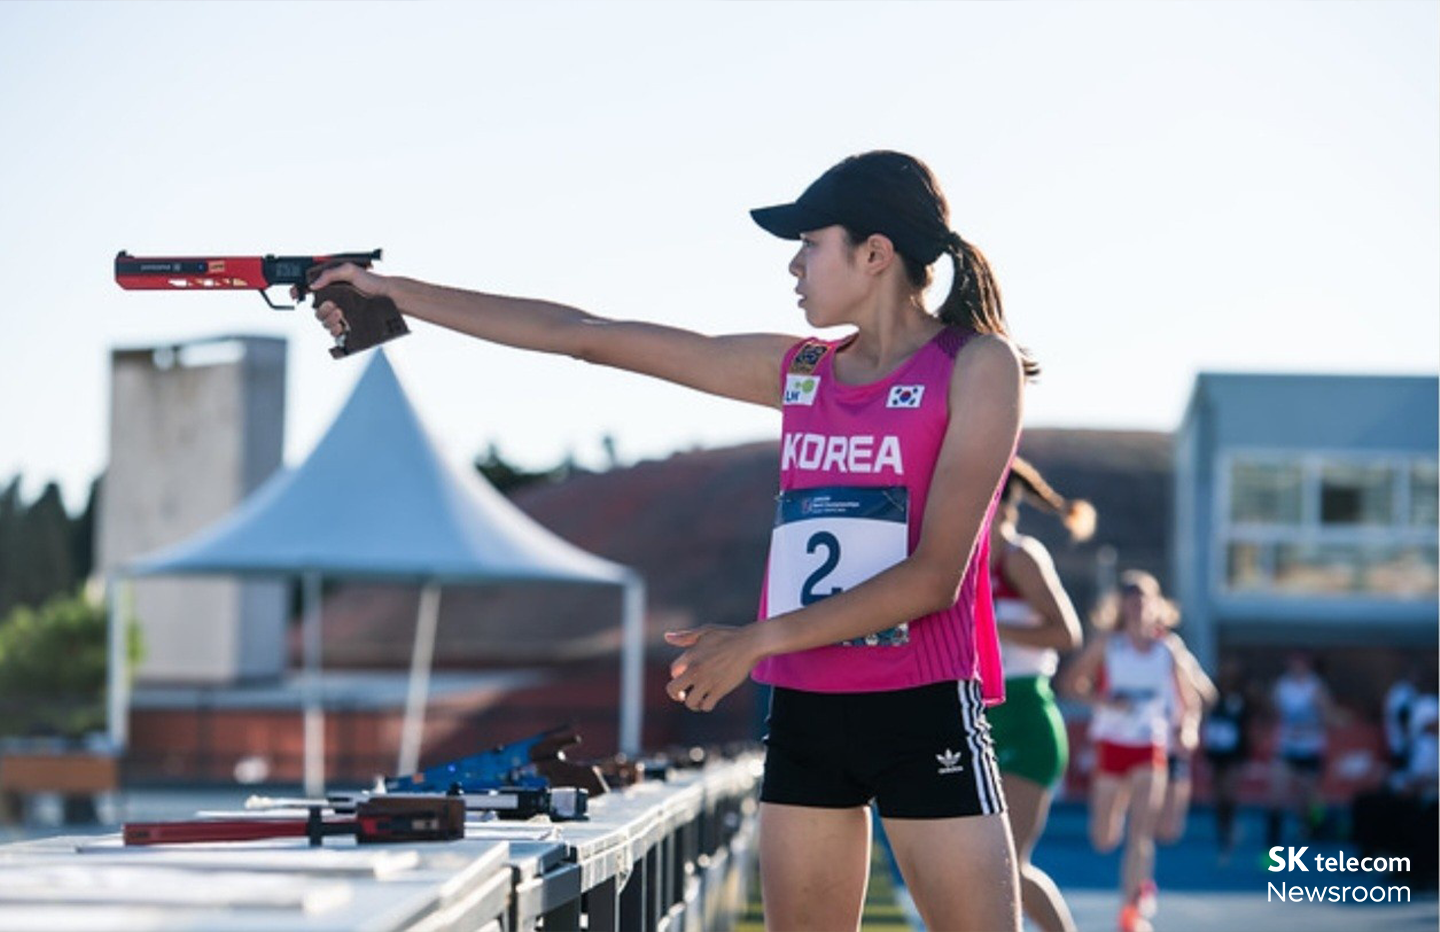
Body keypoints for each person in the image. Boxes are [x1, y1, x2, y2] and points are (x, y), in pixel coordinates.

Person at [309, 150, 1028, 932]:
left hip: (919, 705)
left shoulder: (975, 365)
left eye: (810, 243)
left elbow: (935, 579)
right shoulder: (803, 371)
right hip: (809, 712)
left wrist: (754, 641)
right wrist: (394, 293)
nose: (793, 265)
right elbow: (586, 335)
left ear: (876, 253)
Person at [984, 456, 1091, 932]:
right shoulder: (955, 560)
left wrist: (992, 627)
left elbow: (1067, 635)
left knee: (1007, 864)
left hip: (1026, 716)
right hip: (977, 718)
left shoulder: (1021, 557)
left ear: (1004, 506)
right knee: (977, 865)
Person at [1061, 570, 1196, 932]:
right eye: (1130, 602)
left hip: (1150, 746)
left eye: (1143, 601)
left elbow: (1190, 700)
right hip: (1111, 744)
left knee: (1142, 834)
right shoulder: (1109, 644)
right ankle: (1133, 876)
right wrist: (1104, 700)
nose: (1137, 608)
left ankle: (1131, 910)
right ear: (1121, 606)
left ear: (1157, 606)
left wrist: (1188, 729)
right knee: (1104, 838)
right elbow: (1071, 683)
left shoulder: (1169, 648)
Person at [1265, 652, 1337, 850]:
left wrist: (1319, 714)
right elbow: (1272, 712)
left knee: (1307, 799)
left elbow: (1328, 715)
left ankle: (1313, 827)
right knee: (1276, 796)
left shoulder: (1316, 686)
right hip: (1286, 748)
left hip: (1310, 748)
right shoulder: (1282, 686)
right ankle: (1272, 846)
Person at [1156, 631, 1216, 846]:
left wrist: (1188, 725)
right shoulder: (1119, 646)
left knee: (1169, 828)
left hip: (1171, 744)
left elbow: (1207, 694)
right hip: (1135, 743)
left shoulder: (1171, 648)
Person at [1201, 657, 1254, 863]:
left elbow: (1257, 715)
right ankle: (1222, 830)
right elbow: (1204, 712)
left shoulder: (1245, 695)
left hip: (1235, 751)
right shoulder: (1212, 692)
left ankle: (1230, 830)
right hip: (1216, 750)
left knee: (1229, 791)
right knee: (1218, 793)